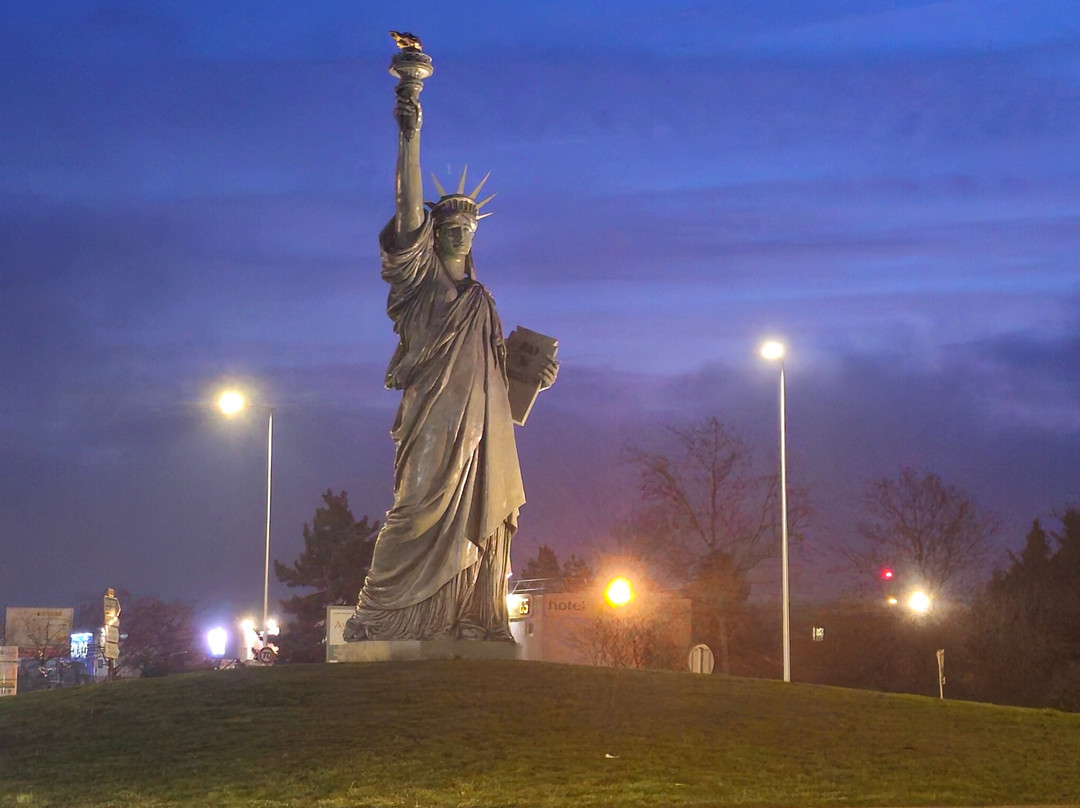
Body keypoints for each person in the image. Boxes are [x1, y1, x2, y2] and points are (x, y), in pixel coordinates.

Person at [344, 71, 556, 642]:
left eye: (468, 227)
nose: (459, 234)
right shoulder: (418, 284)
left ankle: (468, 619)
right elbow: (408, 206)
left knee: (478, 521)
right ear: (432, 235)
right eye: (449, 226)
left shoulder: (483, 301)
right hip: (432, 418)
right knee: (415, 509)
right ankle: (385, 616)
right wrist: (410, 125)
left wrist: (535, 376)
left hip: (484, 432)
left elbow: (498, 381)